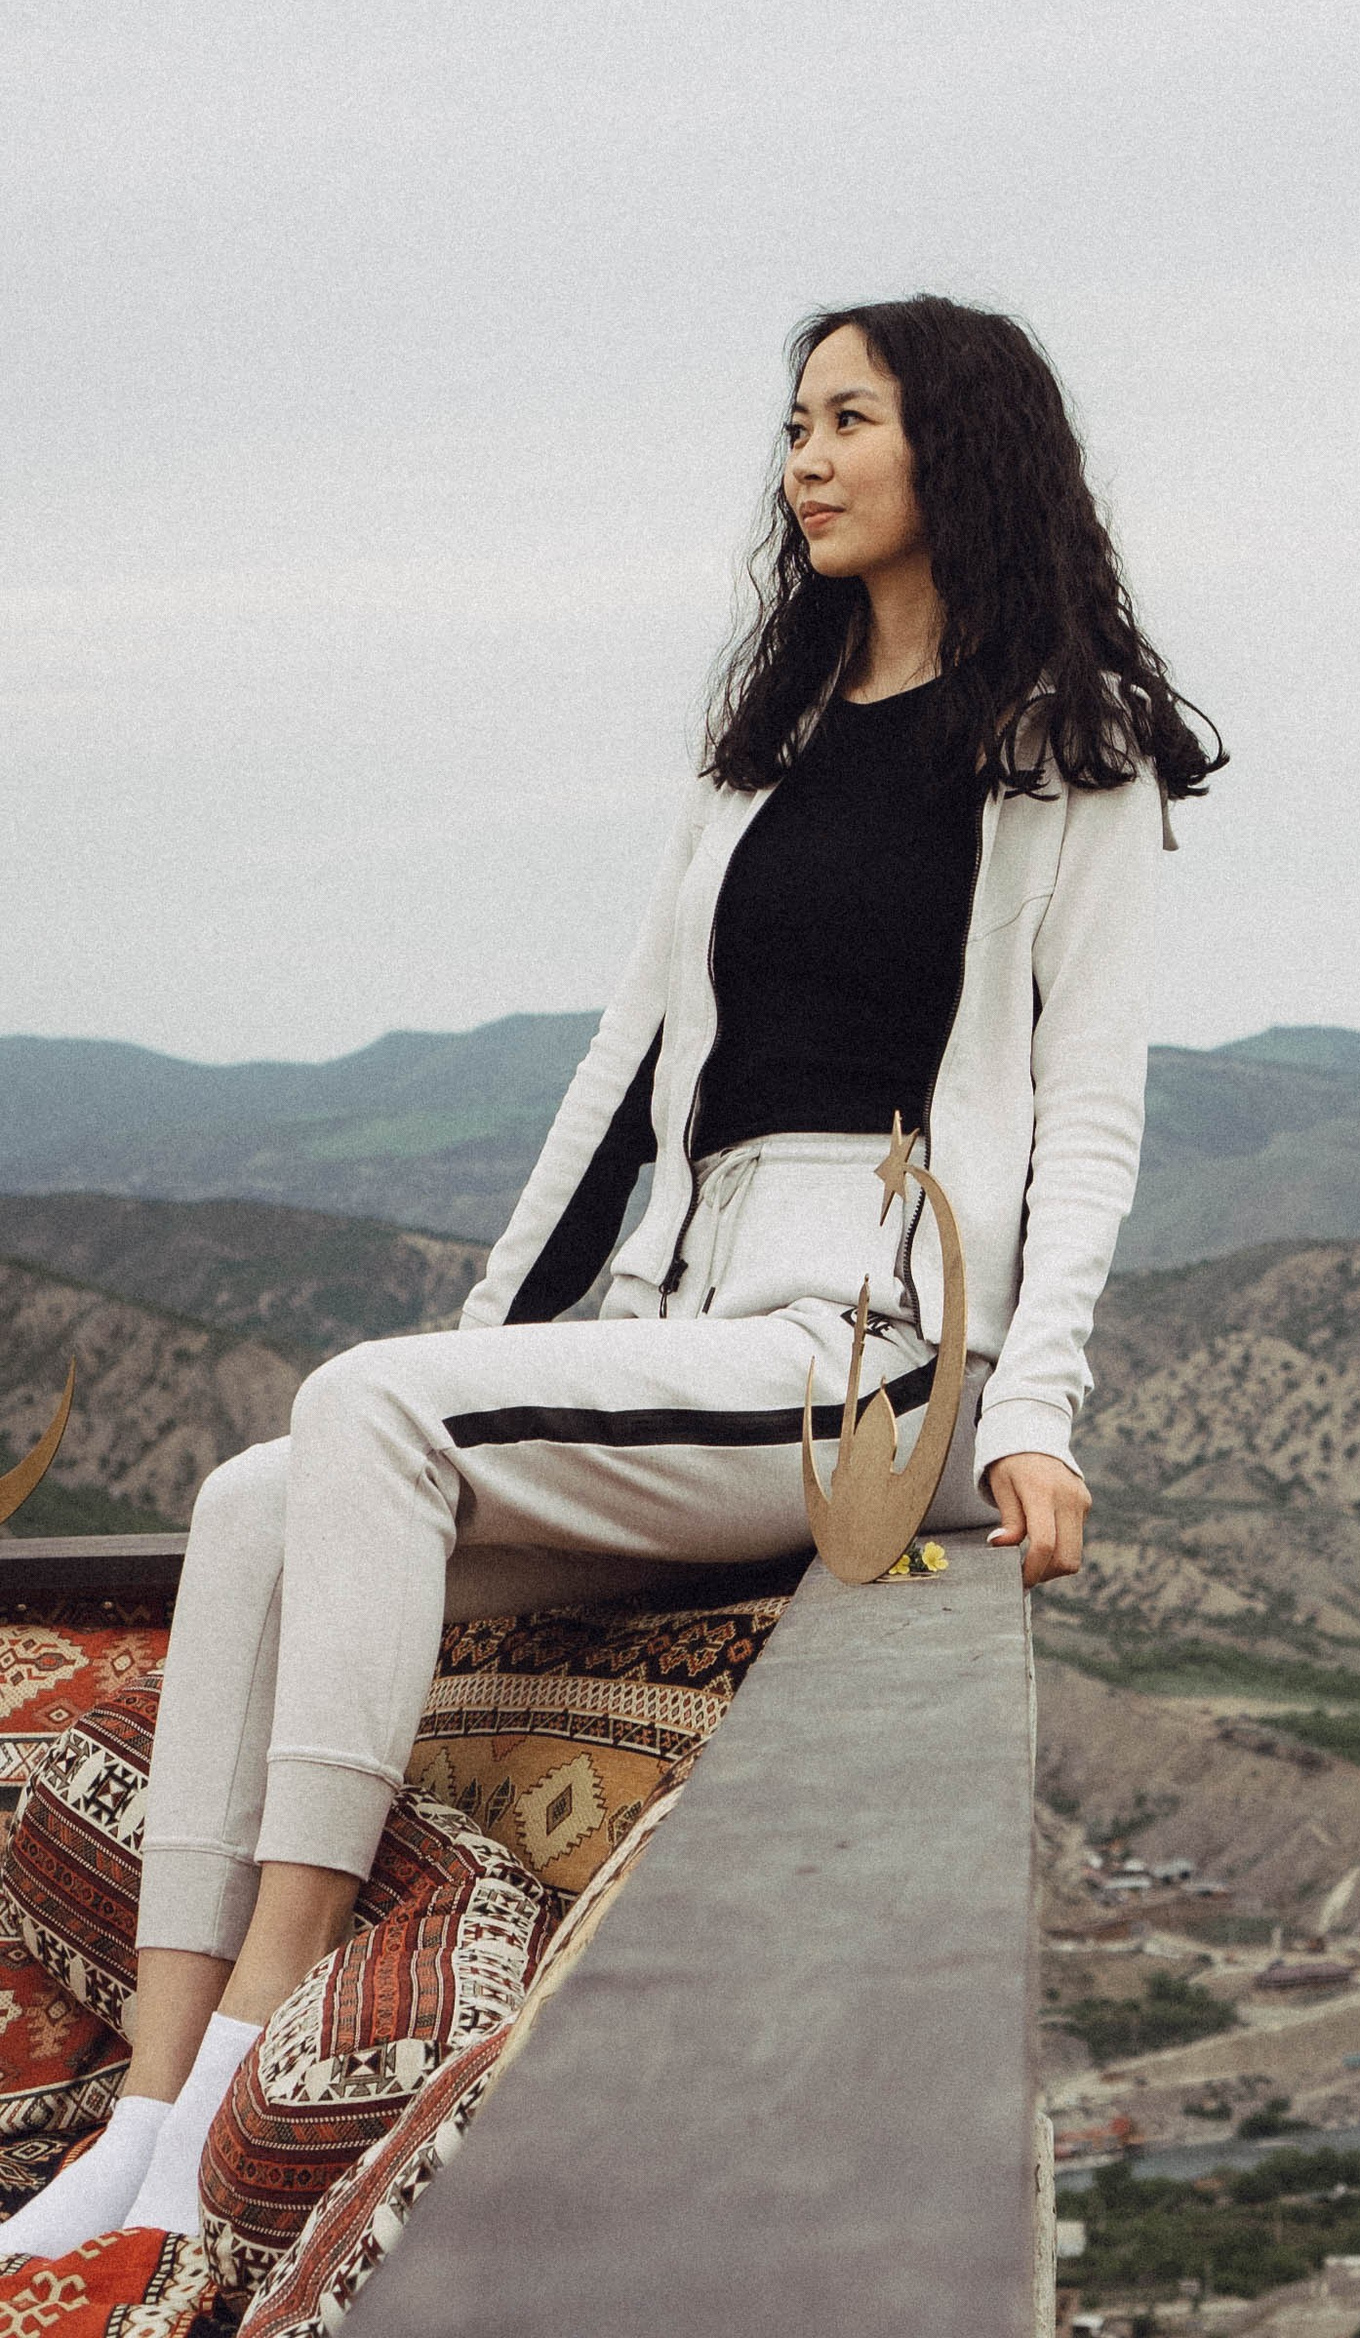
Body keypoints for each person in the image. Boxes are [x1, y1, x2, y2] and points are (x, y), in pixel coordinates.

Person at [3, 294, 1218, 2262]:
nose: (802, 460)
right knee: (265, 1500)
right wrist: (469, 1373)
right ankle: (142, 2116)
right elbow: (619, 1095)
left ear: (957, 452)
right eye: (794, 425)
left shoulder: (1061, 760)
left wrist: (1042, 1412)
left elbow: (1084, 1120)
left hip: (874, 1353)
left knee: (354, 1424)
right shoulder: (760, 758)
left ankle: (244, 2053)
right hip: (690, 1319)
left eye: (846, 420)